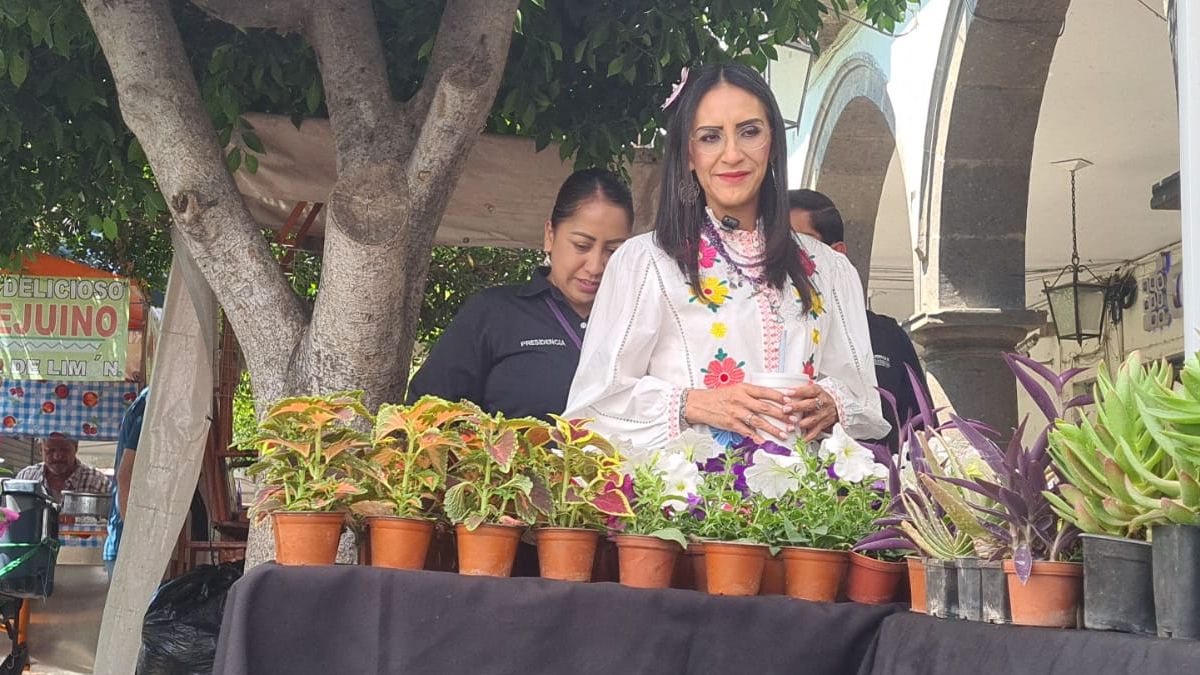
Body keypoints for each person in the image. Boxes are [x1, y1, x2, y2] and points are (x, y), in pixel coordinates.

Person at [565, 64, 888, 451]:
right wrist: (695, 404)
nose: (732, 154)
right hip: (686, 502)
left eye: (749, 132)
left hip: (806, 503)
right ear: (689, 154)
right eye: (710, 137)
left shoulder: (828, 270)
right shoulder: (646, 263)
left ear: (772, 145)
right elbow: (592, 409)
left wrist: (832, 402)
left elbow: (865, 400)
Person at [408, 168, 634, 419]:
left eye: (613, 250)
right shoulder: (494, 314)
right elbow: (425, 415)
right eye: (582, 246)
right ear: (550, 235)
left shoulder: (637, 321)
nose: (595, 266)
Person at [787, 189, 932, 450]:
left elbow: (920, 427)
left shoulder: (886, 334)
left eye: (801, 245)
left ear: (837, 253)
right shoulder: (763, 331)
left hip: (877, 486)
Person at [105, 387, 148, 579]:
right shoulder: (150, 403)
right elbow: (125, 475)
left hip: (127, 544)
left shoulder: (147, 399)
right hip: (128, 547)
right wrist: (134, 537)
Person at [14, 435, 111, 503]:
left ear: (76, 448)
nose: (57, 456)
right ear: (40, 449)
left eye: (65, 450)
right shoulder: (26, 478)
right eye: (50, 450)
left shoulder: (98, 482)